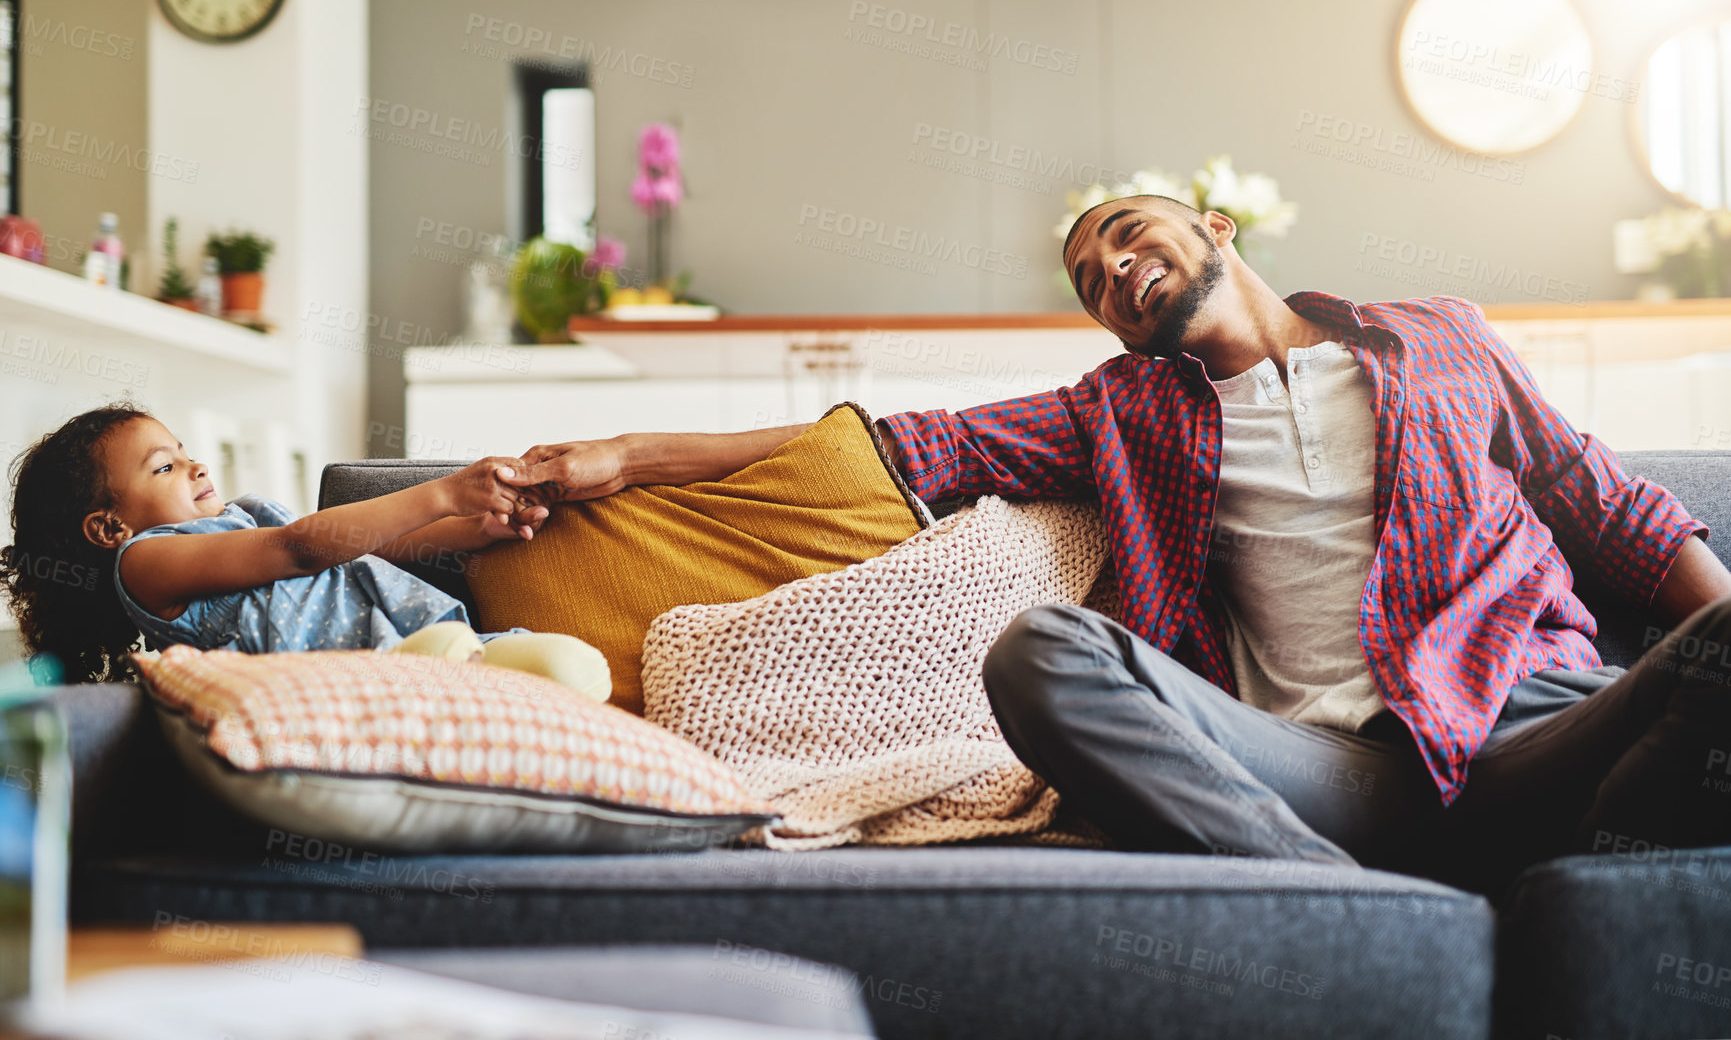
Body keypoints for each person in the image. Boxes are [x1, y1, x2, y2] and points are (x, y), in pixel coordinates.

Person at [509, 195, 1731, 891]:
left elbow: (1618, 513)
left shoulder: (1438, 338)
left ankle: (1514, 849)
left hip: (1535, 720)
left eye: (1129, 237)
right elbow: (891, 443)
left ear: (1214, 223)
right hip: (1328, 779)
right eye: (1090, 279)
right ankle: (1344, 902)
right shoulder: (1118, 411)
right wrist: (626, 453)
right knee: (1041, 655)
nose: (1115, 273)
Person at [0, 405, 609, 700]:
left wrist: (472, 527)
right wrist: (442, 491)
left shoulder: (240, 518)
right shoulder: (145, 563)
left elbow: (369, 545)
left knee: (566, 671)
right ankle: (434, 681)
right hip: (349, 678)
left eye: (184, 450)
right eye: (165, 466)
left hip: (424, 631)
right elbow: (298, 550)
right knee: (441, 666)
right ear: (109, 528)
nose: (195, 465)